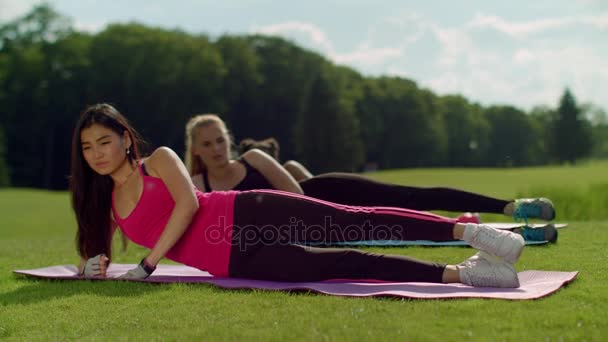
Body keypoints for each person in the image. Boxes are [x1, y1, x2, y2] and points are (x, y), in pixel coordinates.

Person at [71, 103, 527, 288]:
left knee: (357, 220)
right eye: (88, 147)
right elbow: (97, 255)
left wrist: (149, 263)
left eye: (104, 142)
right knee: (343, 264)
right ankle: (463, 276)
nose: (97, 154)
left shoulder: (160, 161)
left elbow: (188, 205)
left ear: (125, 139)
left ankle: (470, 231)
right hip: (232, 262)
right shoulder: (106, 203)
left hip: (247, 213)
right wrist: (89, 266)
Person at [185, 114, 557, 242]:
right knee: (416, 231)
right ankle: (518, 235)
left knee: (412, 198)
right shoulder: (196, 188)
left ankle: (512, 207)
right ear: (196, 150)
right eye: (208, 143)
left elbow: (296, 192)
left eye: (220, 139)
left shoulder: (252, 158)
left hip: (328, 196)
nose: (217, 148)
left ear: (228, 139)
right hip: (315, 229)